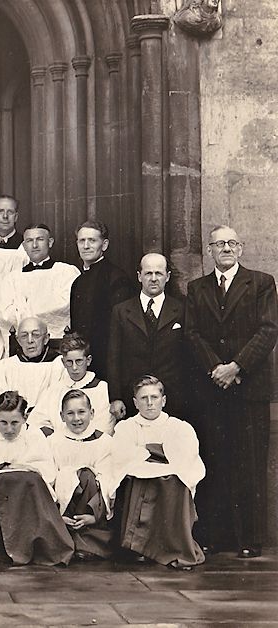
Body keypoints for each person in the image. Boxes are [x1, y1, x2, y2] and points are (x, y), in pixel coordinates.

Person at [185, 226, 278, 558]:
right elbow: (192, 333)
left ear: (240, 248)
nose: (225, 248)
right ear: (209, 250)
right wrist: (217, 369)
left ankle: (250, 539)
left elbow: (268, 330)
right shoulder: (196, 288)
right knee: (214, 461)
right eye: (219, 244)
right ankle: (216, 536)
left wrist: (236, 367)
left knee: (249, 463)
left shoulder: (262, 283)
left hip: (248, 388)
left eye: (231, 243)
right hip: (212, 389)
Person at [112, 376, 206, 569]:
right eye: (144, 398)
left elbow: (186, 458)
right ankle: (138, 547)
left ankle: (173, 547)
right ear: (135, 403)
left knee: (175, 480)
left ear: (163, 400)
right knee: (142, 478)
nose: (149, 403)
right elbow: (123, 457)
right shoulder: (126, 427)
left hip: (170, 479)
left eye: (154, 397)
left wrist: (147, 451)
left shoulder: (179, 427)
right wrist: (161, 452)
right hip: (139, 478)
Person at [0, 391, 74, 566]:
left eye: (15, 423)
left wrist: (26, 468)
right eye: (3, 422)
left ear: (25, 418)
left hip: (28, 496)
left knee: (28, 480)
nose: (9, 429)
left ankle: (34, 545)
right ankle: (5, 547)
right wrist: (2, 469)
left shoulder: (34, 436)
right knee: (7, 480)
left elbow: (48, 470)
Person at [108, 253, 189, 419]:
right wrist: (115, 397)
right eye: (148, 273)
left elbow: (189, 356)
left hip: (173, 398)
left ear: (167, 277)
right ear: (139, 276)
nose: (153, 278)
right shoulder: (121, 311)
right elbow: (113, 356)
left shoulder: (182, 309)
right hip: (133, 397)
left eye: (158, 273)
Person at [49, 390, 114, 560]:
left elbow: (108, 481)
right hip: (63, 511)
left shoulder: (104, 442)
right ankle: (65, 539)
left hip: (91, 510)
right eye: (70, 413)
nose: (76, 418)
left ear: (92, 413)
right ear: (62, 416)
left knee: (87, 475)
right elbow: (48, 479)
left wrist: (94, 516)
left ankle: (89, 542)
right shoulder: (53, 442)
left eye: (81, 412)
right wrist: (58, 514)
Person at [69, 221, 135, 379]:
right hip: (84, 363)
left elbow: (120, 331)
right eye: (82, 241)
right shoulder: (78, 281)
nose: (86, 246)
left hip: (107, 362)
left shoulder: (116, 278)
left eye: (92, 240)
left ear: (104, 245)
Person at [5, 224, 80, 343]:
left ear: (50, 242)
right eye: (29, 241)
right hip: (24, 343)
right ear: (24, 246)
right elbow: (6, 314)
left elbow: (63, 307)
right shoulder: (12, 277)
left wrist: (24, 307)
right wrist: (42, 306)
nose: (34, 245)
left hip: (58, 340)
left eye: (40, 239)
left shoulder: (67, 272)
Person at [27, 334, 114, 436]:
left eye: (79, 361)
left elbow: (104, 427)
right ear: (63, 362)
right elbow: (36, 422)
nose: (74, 368)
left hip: (91, 447)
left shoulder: (101, 389)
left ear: (88, 360)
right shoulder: (56, 389)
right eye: (69, 362)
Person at [0, 317, 60, 413]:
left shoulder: (59, 365)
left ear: (46, 339)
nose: (30, 340)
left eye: (36, 335)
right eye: (24, 336)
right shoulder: (4, 367)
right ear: (18, 340)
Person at [0, 195, 28, 276]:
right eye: (1, 211)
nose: (5, 216)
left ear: (16, 217)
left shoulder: (26, 248)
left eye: (10, 212)